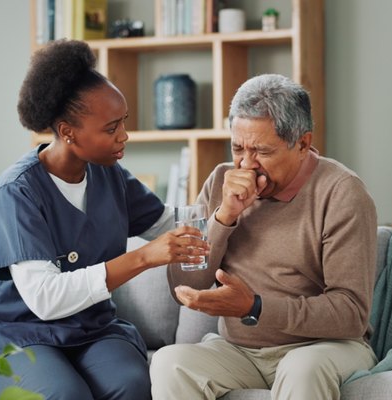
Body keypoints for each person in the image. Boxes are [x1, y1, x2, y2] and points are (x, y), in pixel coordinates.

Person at [0, 39, 208, 400]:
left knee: (132, 384)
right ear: (68, 132)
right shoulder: (17, 192)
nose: (124, 135)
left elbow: (168, 223)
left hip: (92, 328)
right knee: (64, 394)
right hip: (22, 332)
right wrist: (143, 257)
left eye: (123, 122)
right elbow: (45, 299)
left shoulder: (109, 174)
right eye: (111, 128)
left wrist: (228, 205)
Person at [150, 74, 378, 400]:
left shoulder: (342, 192)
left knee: (301, 369)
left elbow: (351, 314)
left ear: (301, 143)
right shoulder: (219, 181)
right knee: (169, 362)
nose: (246, 164)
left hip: (324, 347)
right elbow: (185, 285)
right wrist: (224, 217)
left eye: (261, 151)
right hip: (239, 351)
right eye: (238, 148)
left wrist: (255, 307)